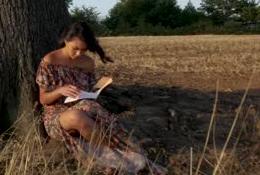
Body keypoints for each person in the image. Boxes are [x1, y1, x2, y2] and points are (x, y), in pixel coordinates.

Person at [36, 22, 164, 174]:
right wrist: (60, 91)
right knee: (78, 115)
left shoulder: (88, 63)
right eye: (75, 49)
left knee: (91, 108)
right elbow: (43, 99)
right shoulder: (50, 60)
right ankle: (117, 153)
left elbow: (90, 91)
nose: (78, 54)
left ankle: (130, 153)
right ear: (66, 40)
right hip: (59, 114)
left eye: (83, 50)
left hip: (87, 107)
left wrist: (100, 88)